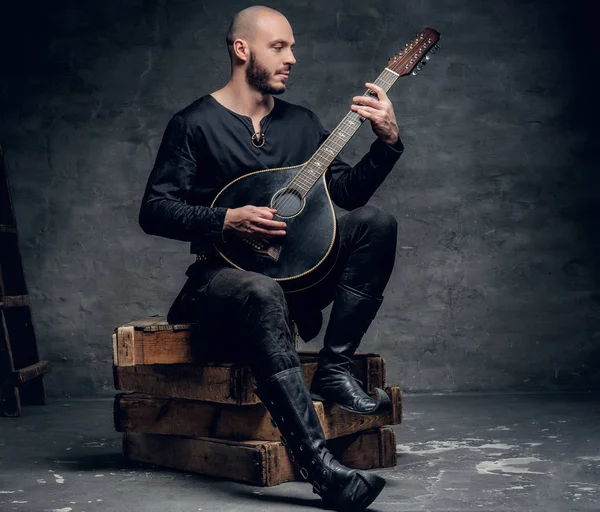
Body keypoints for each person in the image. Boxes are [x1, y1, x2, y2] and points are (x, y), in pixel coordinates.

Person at [139, 6, 404, 510]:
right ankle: (322, 470)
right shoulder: (194, 124)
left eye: (292, 47)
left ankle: (335, 367)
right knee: (260, 290)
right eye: (279, 47)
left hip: (298, 279)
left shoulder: (302, 123)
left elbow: (346, 192)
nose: (292, 59)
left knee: (377, 223)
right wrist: (225, 219)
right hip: (225, 282)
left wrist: (387, 142)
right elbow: (154, 210)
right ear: (242, 50)